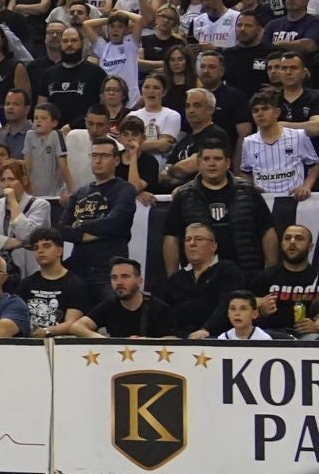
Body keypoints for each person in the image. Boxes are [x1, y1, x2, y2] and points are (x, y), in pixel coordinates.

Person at [163, 134, 275, 277]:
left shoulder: (248, 191)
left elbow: (267, 232)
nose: (212, 163)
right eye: (206, 159)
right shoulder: (183, 195)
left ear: (228, 163)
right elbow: (171, 238)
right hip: (200, 281)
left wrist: (270, 273)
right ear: (198, 163)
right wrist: (173, 278)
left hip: (247, 276)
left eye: (217, 159)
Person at [60, 140, 138, 302]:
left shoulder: (124, 189)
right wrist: (85, 236)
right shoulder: (79, 193)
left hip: (108, 270)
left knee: (111, 311)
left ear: (116, 160)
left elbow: (115, 222)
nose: (98, 160)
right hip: (78, 267)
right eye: (94, 155)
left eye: (104, 156)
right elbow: (62, 229)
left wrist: (80, 224)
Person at [72, 258, 171, 338]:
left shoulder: (158, 307)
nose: (118, 282)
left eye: (125, 276)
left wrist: (146, 342)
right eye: (114, 277)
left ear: (139, 281)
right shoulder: (110, 305)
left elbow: (172, 339)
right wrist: (102, 340)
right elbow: (77, 326)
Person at [19, 228, 88, 336]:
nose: (40, 251)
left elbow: (72, 323)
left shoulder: (76, 284)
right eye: (36, 248)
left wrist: (46, 332)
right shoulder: (26, 284)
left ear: (59, 251)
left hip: (61, 345)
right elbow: (18, 318)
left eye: (46, 246)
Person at [254, 223, 319, 337]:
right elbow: (243, 312)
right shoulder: (264, 277)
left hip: (310, 337)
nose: (292, 242)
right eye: (287, 238)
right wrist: (260, 312)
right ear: (281, 244)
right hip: (271, 336)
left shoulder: (316, 277)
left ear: (310, 247)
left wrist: (317, 326)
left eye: (299, 238)